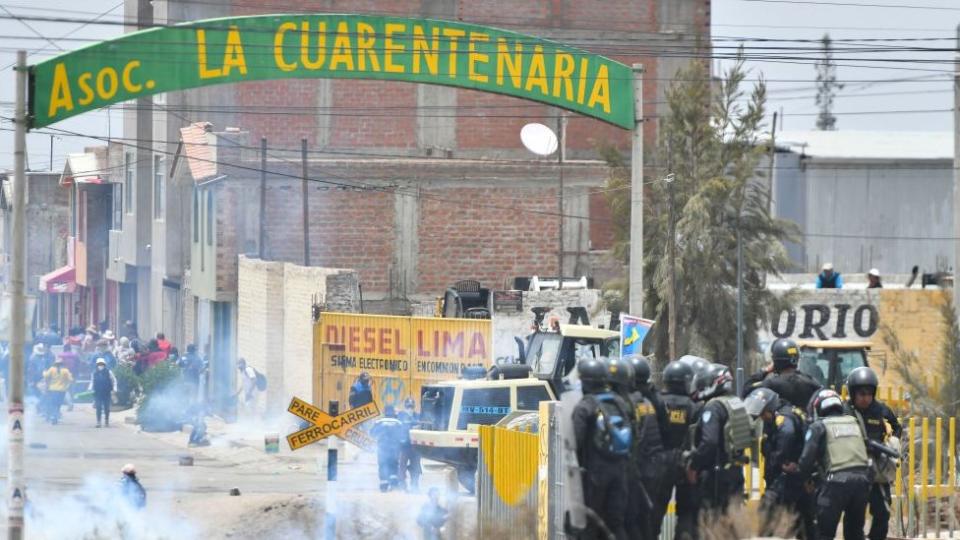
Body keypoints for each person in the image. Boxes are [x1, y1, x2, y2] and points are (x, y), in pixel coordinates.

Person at [572, 357, 632, 540]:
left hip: (595, 475)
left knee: (591, 524)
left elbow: (576, 441)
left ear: (585, 382)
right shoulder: (619, 403)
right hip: (620, 471)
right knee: (616, 523)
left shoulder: (585, 406)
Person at [745, 387, 816, 540]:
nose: (762, 417)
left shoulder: (783, 418)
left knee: (767, 511)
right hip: (801, 474)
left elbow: (787, 434)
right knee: (803, 520)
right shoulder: (789, 412)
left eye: (763, 413)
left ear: (770, 408)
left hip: (789, 476)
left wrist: (776, 460)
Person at [799, 389, 871, 540]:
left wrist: (806, 480)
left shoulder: (819, 426)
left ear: (819, 408)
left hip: (835, 483)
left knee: (824, 533)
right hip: (862, 482)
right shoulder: (854, 422)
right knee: (855, 533)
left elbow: (806, 460)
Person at [687, 363, 753, 518]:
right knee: (730, 523)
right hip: (735, 472)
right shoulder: (735, 403)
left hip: (715, 477)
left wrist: (694, 466)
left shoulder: (713, 407)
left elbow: (709, 442)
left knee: (712, 523)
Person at [845, 367, 901, 540]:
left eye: (869, 393)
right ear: (853, 393)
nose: (865, 398)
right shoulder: (844, 410)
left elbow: (897, 428)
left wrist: (889, 443)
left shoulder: (881, 410)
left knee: (883, 511)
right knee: (855, 513)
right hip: (854, 468)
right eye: (861, 393)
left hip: (877, 469)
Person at [653, 360, 699, 540]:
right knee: (686, 512)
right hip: (685, 464)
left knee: (654, 511)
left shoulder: (657, 402)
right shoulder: (693, 407)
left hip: (660, 463)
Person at [621, 356, 664, 540]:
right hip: (654, 468)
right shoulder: (652, 400)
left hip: (637, 470)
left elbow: (635, 440)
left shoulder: (630, 403)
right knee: (647, 520)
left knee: (631, 520)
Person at [762, 338, 823, 410]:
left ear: (776, 362)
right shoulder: (812, 382)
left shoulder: (770, 384)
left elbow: (747, 391)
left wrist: (764, 371)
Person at [371, 405, 404, 492]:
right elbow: (403, 436)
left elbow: (372, 434)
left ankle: (383, 485)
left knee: (382, 465)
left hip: (382, 448)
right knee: (394, 465)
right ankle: (393, 484)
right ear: (393, 412)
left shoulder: (379, 422)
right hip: (395, 448)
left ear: (384, 412)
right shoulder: (398, 422)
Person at [397, 397, 423, 492]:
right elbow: (402, 426)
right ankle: (402, 484)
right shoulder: (401, 415)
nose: (410, 408)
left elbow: (421, 425)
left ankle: (415, 484)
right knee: (402, 465)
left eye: (411, 406)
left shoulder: (418, 415)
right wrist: (413, 425)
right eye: (408, 406)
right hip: (404, 445)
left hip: (415, 446)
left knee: (416, 466)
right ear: (405, 406)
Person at [42, 357, 73, 424]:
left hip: (53, 389)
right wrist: (66, 385)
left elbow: (46, 376)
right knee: (58, 404)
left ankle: (54, 416)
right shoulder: (65, 370)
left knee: (53, 404)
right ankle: (55, 416)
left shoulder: (52, 369)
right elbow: (70, 379)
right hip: (62, 390)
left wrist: (44, 372)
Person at [89, 358, 117, 428]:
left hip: (106, 392)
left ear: (104, 365)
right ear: (97, 365)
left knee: (106, 407)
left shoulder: (109, 372)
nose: (100, 365)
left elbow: (114, 380)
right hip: (98, 392)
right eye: (99, 364)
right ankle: (98, 422)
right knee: (98, 407)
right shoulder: (94, 373)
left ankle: (106, 421)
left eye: (101, 364)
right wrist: (89, 389)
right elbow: (92, 381)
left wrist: (114, 389)